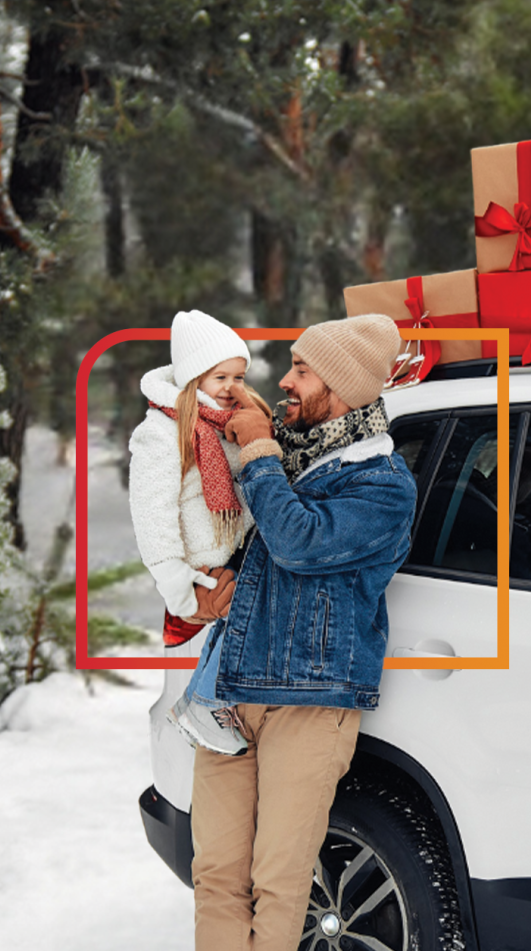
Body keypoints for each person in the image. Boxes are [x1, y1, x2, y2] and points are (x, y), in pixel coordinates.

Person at [189, 313, 419, 951]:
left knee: (280, 882)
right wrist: (216, 587)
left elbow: (298, 543)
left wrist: (260, 447)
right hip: (231, 692)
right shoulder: (291, 455)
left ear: (341, 385)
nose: (285, 380)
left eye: (301, 368)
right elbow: (255, 550)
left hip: (309, 704)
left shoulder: (383, 485)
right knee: (215, 875)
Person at [128, 309, 271, 755]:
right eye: (220, 377)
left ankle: (206, 705)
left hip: (233, 560)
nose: (232, 387)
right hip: (200, 579)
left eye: (239, 376)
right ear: (194, 381)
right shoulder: (163, 433)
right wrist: (181, 589)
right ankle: (204, 706)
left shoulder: (227, 425)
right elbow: (152, 515)